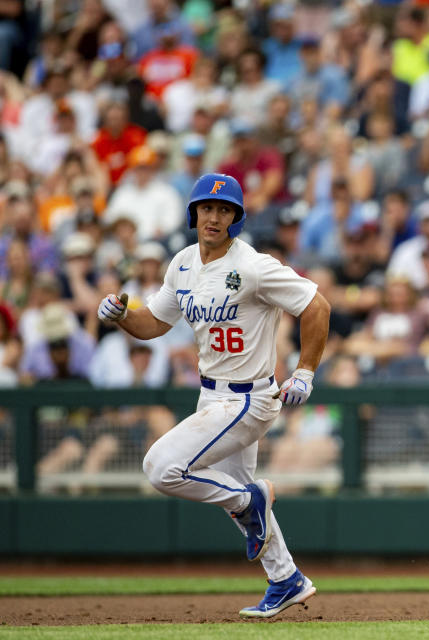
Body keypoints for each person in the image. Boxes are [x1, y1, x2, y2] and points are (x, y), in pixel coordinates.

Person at [96, 173, 331, 618]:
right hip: (211, 396)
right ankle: (286, 579)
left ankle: (251, 502)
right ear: (194, 213)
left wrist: (304, 372)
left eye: (225, 210)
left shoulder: (253, 265)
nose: (214, 216)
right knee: (233, 491)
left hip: (249, 398)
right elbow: (155, 324)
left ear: (236, 218)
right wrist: (124, 314)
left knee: (161, 468)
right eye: (207, 207)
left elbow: (316, 304)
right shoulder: (182, 263)